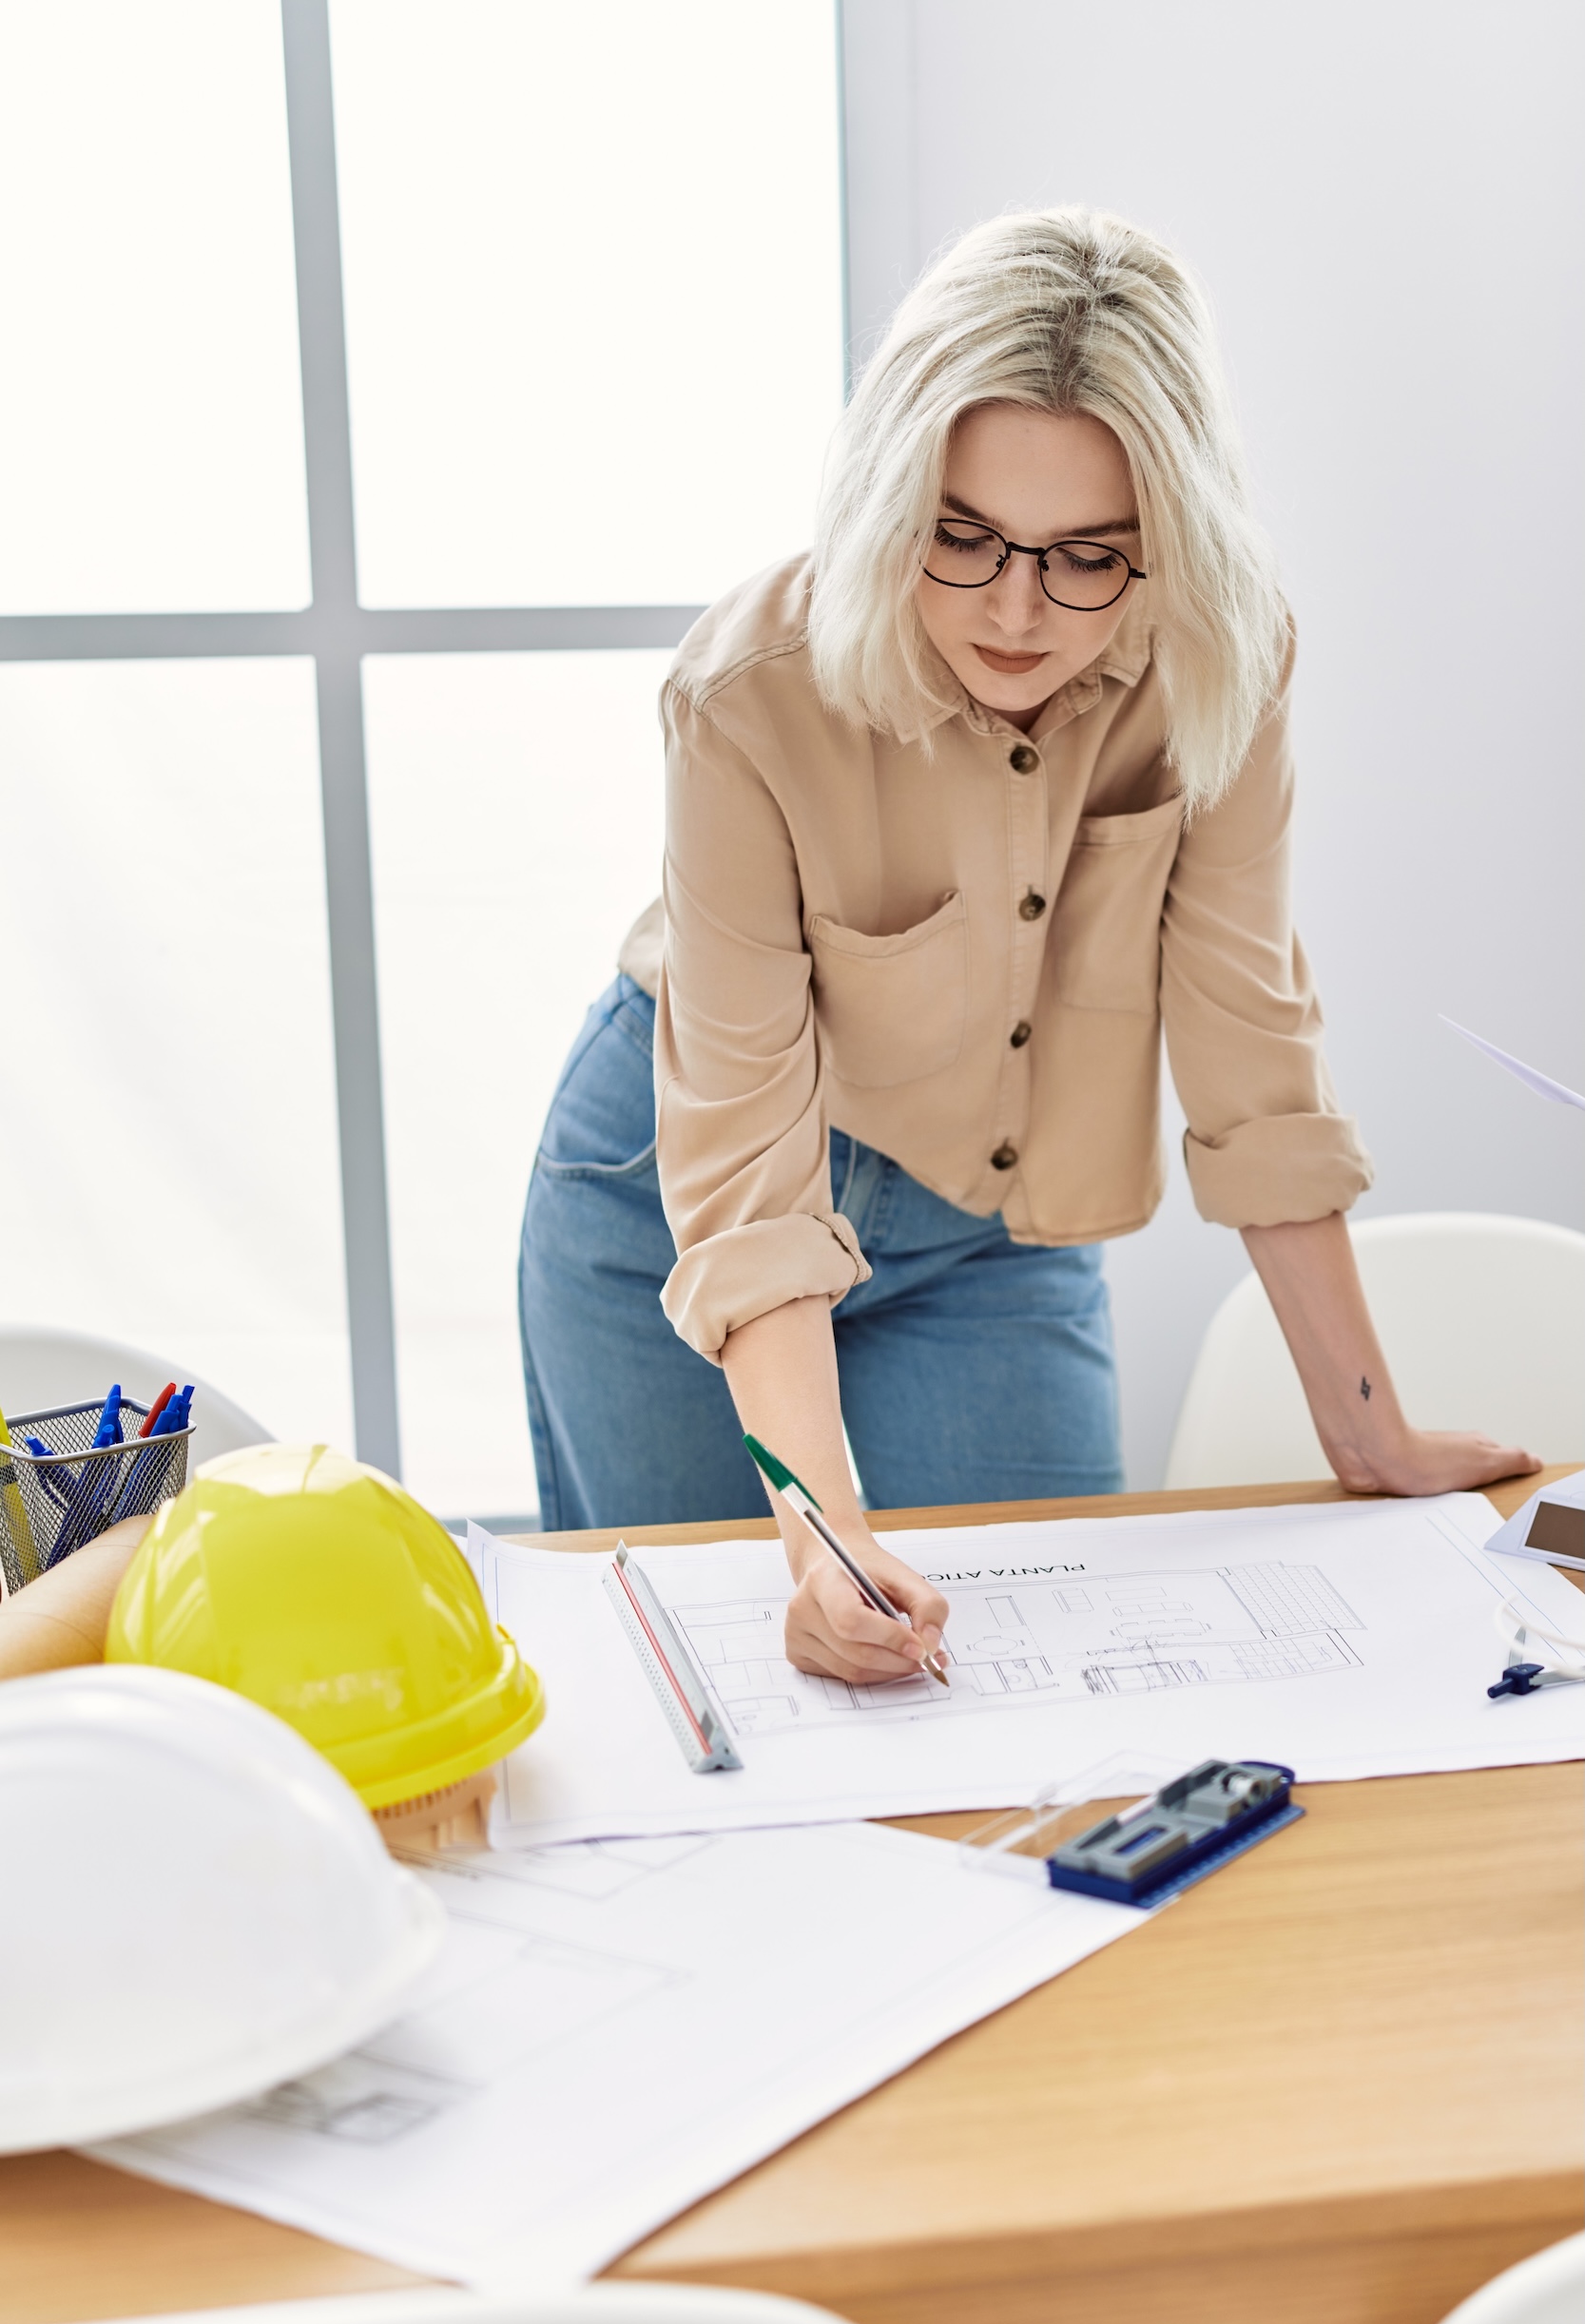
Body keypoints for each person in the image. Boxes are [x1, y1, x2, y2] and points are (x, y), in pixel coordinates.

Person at [518, 207, 1537, 1687]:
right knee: (732, 1694)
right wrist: (820, 1533)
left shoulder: (1221, 663)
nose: (1015, 609)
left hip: (992, 1225)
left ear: (1165, 538)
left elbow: (1250, 1038)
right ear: (894, 499)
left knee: (1049, 1689)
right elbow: (742, 1167)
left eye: (1087, 558)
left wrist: (1367, 1430)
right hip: (675, 1211)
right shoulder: (746, 690)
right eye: (966, 537)